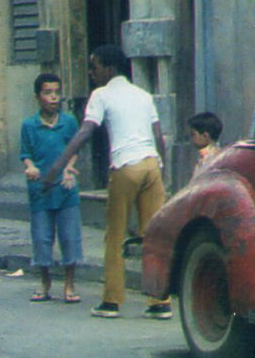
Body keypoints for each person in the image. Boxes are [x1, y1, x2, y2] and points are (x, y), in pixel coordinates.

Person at [43, 45, 169, 320]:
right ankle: (160, 301)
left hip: (125, 166)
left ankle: (111, 300)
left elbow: (85, 132)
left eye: (94, 66)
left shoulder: (101, 95)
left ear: (109, 69)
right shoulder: (144, 95)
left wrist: (57, 165)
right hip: (151, 165)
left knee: (115, 235)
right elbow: (159, 137)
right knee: (154, 235)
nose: (91, 72)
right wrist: (163, 170)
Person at [20, 72, 82, 304]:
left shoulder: (69, 122)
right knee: (42, 238)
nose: (53, 98)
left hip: (65, 188)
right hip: (40, 189)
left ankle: (69, 283)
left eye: (57, 93)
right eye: (48, 93)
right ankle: (45, 282)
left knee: (69, 237)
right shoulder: (29, 125)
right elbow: (25, 154)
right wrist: (30, 167)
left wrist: (69, 168)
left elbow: (75, 149)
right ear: (38, 96)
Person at [189, 111, 224, 176]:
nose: (191, 138)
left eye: (193, 134)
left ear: (205, 136)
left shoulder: (211, 159)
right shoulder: (203, 156)